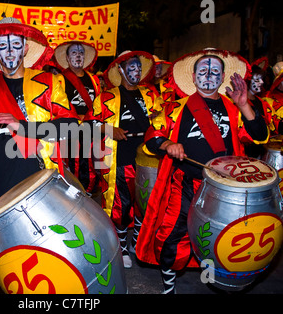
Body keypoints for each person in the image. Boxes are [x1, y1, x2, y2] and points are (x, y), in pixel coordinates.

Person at [135, 48, 269, 294]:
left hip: (224, 187)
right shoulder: (176, 107)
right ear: (194, 77)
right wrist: (167, 144)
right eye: (203, 71)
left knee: (222, 235)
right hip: (185, 183)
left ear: (222, 77)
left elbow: (259, 136)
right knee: (173, 234)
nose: (209, 75)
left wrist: (245, 105)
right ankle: (168, 287)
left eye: (215, 71)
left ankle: (218, 281)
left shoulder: (233, 108)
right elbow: (152, 136)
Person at [0, 17, 79, 279]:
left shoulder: (49, 82)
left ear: (25, 48)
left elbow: (70, 125)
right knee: (12, 240)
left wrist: (22, 125)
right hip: (2, 180)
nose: (10, 51)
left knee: (50, 241)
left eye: (16, 44)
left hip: (44, 176)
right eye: (3, 46)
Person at [93, 50, 158, 268]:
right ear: (120, 69)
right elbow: (89, 125)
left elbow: (161, 122)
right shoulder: (106, 97)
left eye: (139, 67)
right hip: (119, 159)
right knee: (121, 204)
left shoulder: (150, 95)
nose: (136, 71)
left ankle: (136, 242)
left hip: (147, 160)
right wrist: (109, 129)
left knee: (145, 203)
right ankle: (120, 247)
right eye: (132, 66)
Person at [53, 41, 101, 195]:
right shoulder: (59, 79)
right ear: (67, 58)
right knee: (73, 165)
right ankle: (73, 193)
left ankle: (89, 193)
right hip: (71, 131)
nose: (78, 55)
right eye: (74, 52)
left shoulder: (93, 80)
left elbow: (98, 104)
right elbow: (57, 105)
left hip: (91, 130)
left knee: (92, 165)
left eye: (81, 52)